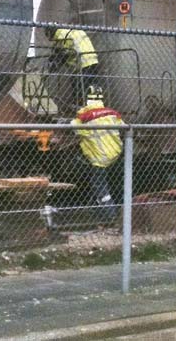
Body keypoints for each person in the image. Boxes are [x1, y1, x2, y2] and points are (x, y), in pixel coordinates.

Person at [70, 85, 124, 222]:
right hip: (115, 153)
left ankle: (110, 216)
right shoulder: (112, 113)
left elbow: (74, 129)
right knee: (105, 183)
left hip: (99, 158)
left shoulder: (84, 116)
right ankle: (100, 212)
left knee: (100, 187)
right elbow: (123, 126)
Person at [44, 26, 99, 106]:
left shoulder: (61, 36)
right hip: (93, 60)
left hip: (83, 63)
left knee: (78, 84)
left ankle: (80, 105)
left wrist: (55, 63)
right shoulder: (70, 30)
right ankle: (93, 105)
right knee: (91, 87)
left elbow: (65, 54)